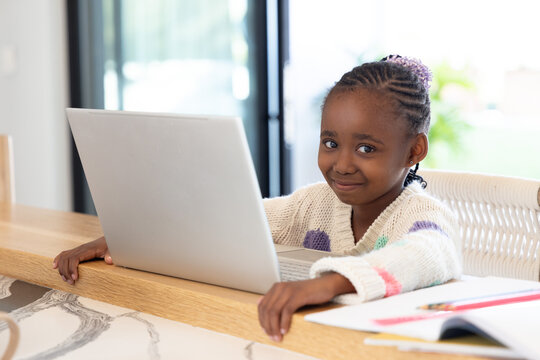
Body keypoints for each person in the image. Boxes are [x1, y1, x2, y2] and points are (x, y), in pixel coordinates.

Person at [53, 55, 462, 343]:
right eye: (331, 142)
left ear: (414, 152)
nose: (342, 164)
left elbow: (427, 253)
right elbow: (232, 217)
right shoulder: (315, 204)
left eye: (366, 149)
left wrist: (326, 284)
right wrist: (130, 236)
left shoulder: (421, 215)